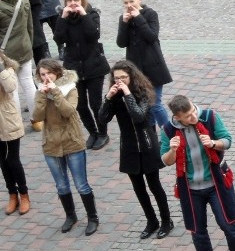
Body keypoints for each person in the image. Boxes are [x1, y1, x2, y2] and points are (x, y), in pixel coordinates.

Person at [161, 95, 235, 251]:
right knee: (197, 229)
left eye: (193, 111)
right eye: (188, 116)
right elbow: (165, 160)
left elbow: (227, 140)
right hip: (190, 188)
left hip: (216, 182)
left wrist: (214, 143)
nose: (193, 116)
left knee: (227, 222)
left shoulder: (209, 117)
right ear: (177, 118)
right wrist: (173, 151)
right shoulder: (168, 130)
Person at [99, 60, 172, 239]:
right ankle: (151, 220)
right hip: (129, 147)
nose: (120, 81)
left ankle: (166, 221)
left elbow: (138, 116)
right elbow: (102, 119)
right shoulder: (115, 96)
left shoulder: (143, 93)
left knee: (155, 186)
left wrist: (127, 94)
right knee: (139, 188)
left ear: (131, 76)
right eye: (117, 78)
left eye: (124, 77)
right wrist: (108, 98)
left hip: (147, 145)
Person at [35, 57, 101, 235]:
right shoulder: (40, 91)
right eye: (42, 74)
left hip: (72, 142)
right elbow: (37, 116)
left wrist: (55, 92)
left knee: (81, 184)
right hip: (51, 144)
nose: (46, 77)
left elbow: (68, 111)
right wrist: (42, 95)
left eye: (49, 73)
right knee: (61, 185)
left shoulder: (70, 88)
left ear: (57, 73)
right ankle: (70, 216)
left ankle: (92, 217)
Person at [53, 0, 110, 151]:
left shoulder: (92, 14)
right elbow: (59, 38)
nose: (72, 4)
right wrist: (62, 18)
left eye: (76, 0)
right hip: (74, 68)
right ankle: (93, 132)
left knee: (96, 102)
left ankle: (103, 133)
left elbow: (93, 35)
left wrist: (84, 15)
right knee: (80, 104)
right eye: (69, 1)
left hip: (94, 66)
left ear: (82, 1)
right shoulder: (62, 17)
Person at [115, 0, 171, 128]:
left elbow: (151, 36)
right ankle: (151, 132)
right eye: (126, 3)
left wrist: (139, 18)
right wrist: (124, 24)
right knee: (144, 104)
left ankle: (170, 132)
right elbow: (121, 43)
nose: (129, 6)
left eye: (131, 1)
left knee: (155, 103)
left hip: (153, 66)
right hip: (136, 69)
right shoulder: (124, 18)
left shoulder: (150, 14)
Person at [0, 51, 26, 216]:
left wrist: (0, 67)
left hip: (8, 119)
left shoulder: (8, 69)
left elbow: (10, 87)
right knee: (2, 160)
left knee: (13, 159)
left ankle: (24, 194)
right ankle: (12, 194)